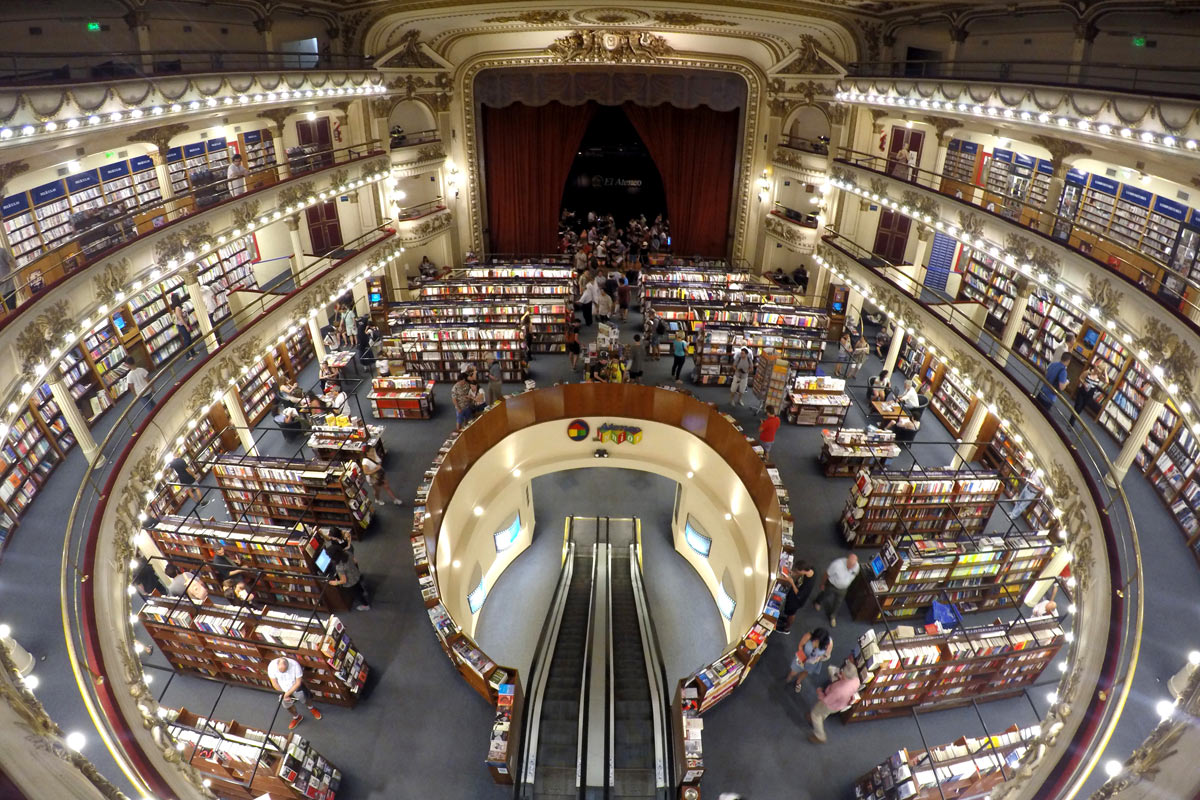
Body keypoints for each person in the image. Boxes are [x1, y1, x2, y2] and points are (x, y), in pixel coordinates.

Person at [809, 660, 861, 743]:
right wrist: (840, 677)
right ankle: (817, 721)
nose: (841, 672)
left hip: (830, 704)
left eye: (842, 672)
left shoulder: (839, 690)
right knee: (823, 714)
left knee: (815, 714)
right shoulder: (856, 680)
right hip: (839, 704)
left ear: (846, 676)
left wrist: (819, 691)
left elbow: (826, 701)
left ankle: (820, 736)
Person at [267, 656, 323, 730]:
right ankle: (297, 717)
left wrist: (287, 694)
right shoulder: (271, 666)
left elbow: (298, 683)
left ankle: (311, 708)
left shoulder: (295, 665)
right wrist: (285, 693)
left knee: (305, 698)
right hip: (283, 689)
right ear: (277, 665)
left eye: (285, 671)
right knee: (287, 706)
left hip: (295, 687)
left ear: (288, 665)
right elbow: (274, 684)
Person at [813, 553, 860, 627]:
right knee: (825, 594)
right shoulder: (837, 564)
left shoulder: (856, 566)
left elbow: (855, 574)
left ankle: (833, 616)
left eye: (853, 565)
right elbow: (826, 574)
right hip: (832, 585)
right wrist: (822, 584)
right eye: (850, 565)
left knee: (838, 603)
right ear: (847, 561)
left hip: (843, 589)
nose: (851, 567)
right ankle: (817, 602)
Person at [785, 627, 833, 691]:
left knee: (805, 672)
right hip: (802, 656)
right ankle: (789, 677)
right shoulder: (809, 635)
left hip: (813, 661)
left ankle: (798, 682)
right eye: (815, 640)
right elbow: (800, 645)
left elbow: (827, 655)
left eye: (818, 642)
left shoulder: (829, 644)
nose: (815, 642)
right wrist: (802, 659)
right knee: (794, 671)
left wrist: (819, 658)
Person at [776, 560, 816, 634]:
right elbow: (800, 577)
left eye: (798, 571)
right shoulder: (811, 569)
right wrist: (794, 574)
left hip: (797, 600)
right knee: (788, 611)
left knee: (791, 613)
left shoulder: (808, 583)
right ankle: (786, 620)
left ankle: (786, 628)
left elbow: (799, 594)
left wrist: (792, 583)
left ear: (804, 571)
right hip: (795, 594)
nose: (797, 572)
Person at [327, 544, 371, 610]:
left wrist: (335, 582)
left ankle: (365, 605)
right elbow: (355, 561)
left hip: (350, 583)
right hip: (356, 574)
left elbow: (344, 581)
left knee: (357, 594)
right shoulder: (348, 553)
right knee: (358, 586)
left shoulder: (340, 566)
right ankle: (363, 592)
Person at [1071, 362, 1102, 428]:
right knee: (1078, 406)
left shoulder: (1099, 377)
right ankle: (1072, 421)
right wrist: (1084, 383)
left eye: (1100, 369)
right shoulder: (1088, 372)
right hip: (1082, 391)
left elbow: (1107, 381)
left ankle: (1073, 418)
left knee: (1081, 408)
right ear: (1095, 366)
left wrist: (1105, 370)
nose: (1098, 370)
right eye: (1098, 367)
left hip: (1089, 395)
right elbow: (1080, 378)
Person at [170, 295, 197, 359]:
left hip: (185, 323)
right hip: (182, 325)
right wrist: (186, 326)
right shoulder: (177, 308)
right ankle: (187, 356)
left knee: (189, 339)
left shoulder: (180, 306)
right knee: (187, 340)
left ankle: (193, 352)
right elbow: (180, 318)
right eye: (179, 296)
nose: (180, 297)